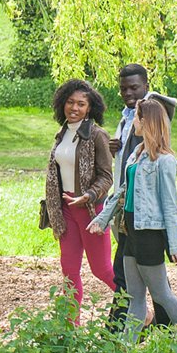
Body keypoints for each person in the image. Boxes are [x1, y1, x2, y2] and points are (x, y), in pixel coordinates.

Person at [88, 98, 177, 341]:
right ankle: (125, 351)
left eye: (136, 117)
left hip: (149, 235)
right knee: (134, 297)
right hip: (129, 232)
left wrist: (175, 244)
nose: (132, 122)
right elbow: (122, 192)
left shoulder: (164, 161)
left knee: (161, 295)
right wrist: (102, 220)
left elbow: (170, 204)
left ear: (146, 122)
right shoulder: (136, 155)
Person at [109, 64, 177, 327]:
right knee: (141, 280)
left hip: (145, 216)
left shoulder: (151, 111)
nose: (128, 93)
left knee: (135, 280)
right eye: (123, 88)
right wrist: (114, 145)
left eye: (134, 87)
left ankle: (116, 335)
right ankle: (165, 332)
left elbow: (154, 145)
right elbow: (128, 158)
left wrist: (175, 243)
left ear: (147, 85)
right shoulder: (127, 116)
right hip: (128, 210)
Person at [44, 79, 116, 311]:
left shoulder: (97, 135)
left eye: (81, 104)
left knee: (102, 269)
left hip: (90, 210)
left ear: (90, 108)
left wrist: (89, 195)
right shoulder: (62, 133)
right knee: (69, 272)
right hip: (65, 210)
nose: (74, 108)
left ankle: (142, 309)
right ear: (62, 104)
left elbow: (107, 177)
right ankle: (70, 328)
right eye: (70, 102)